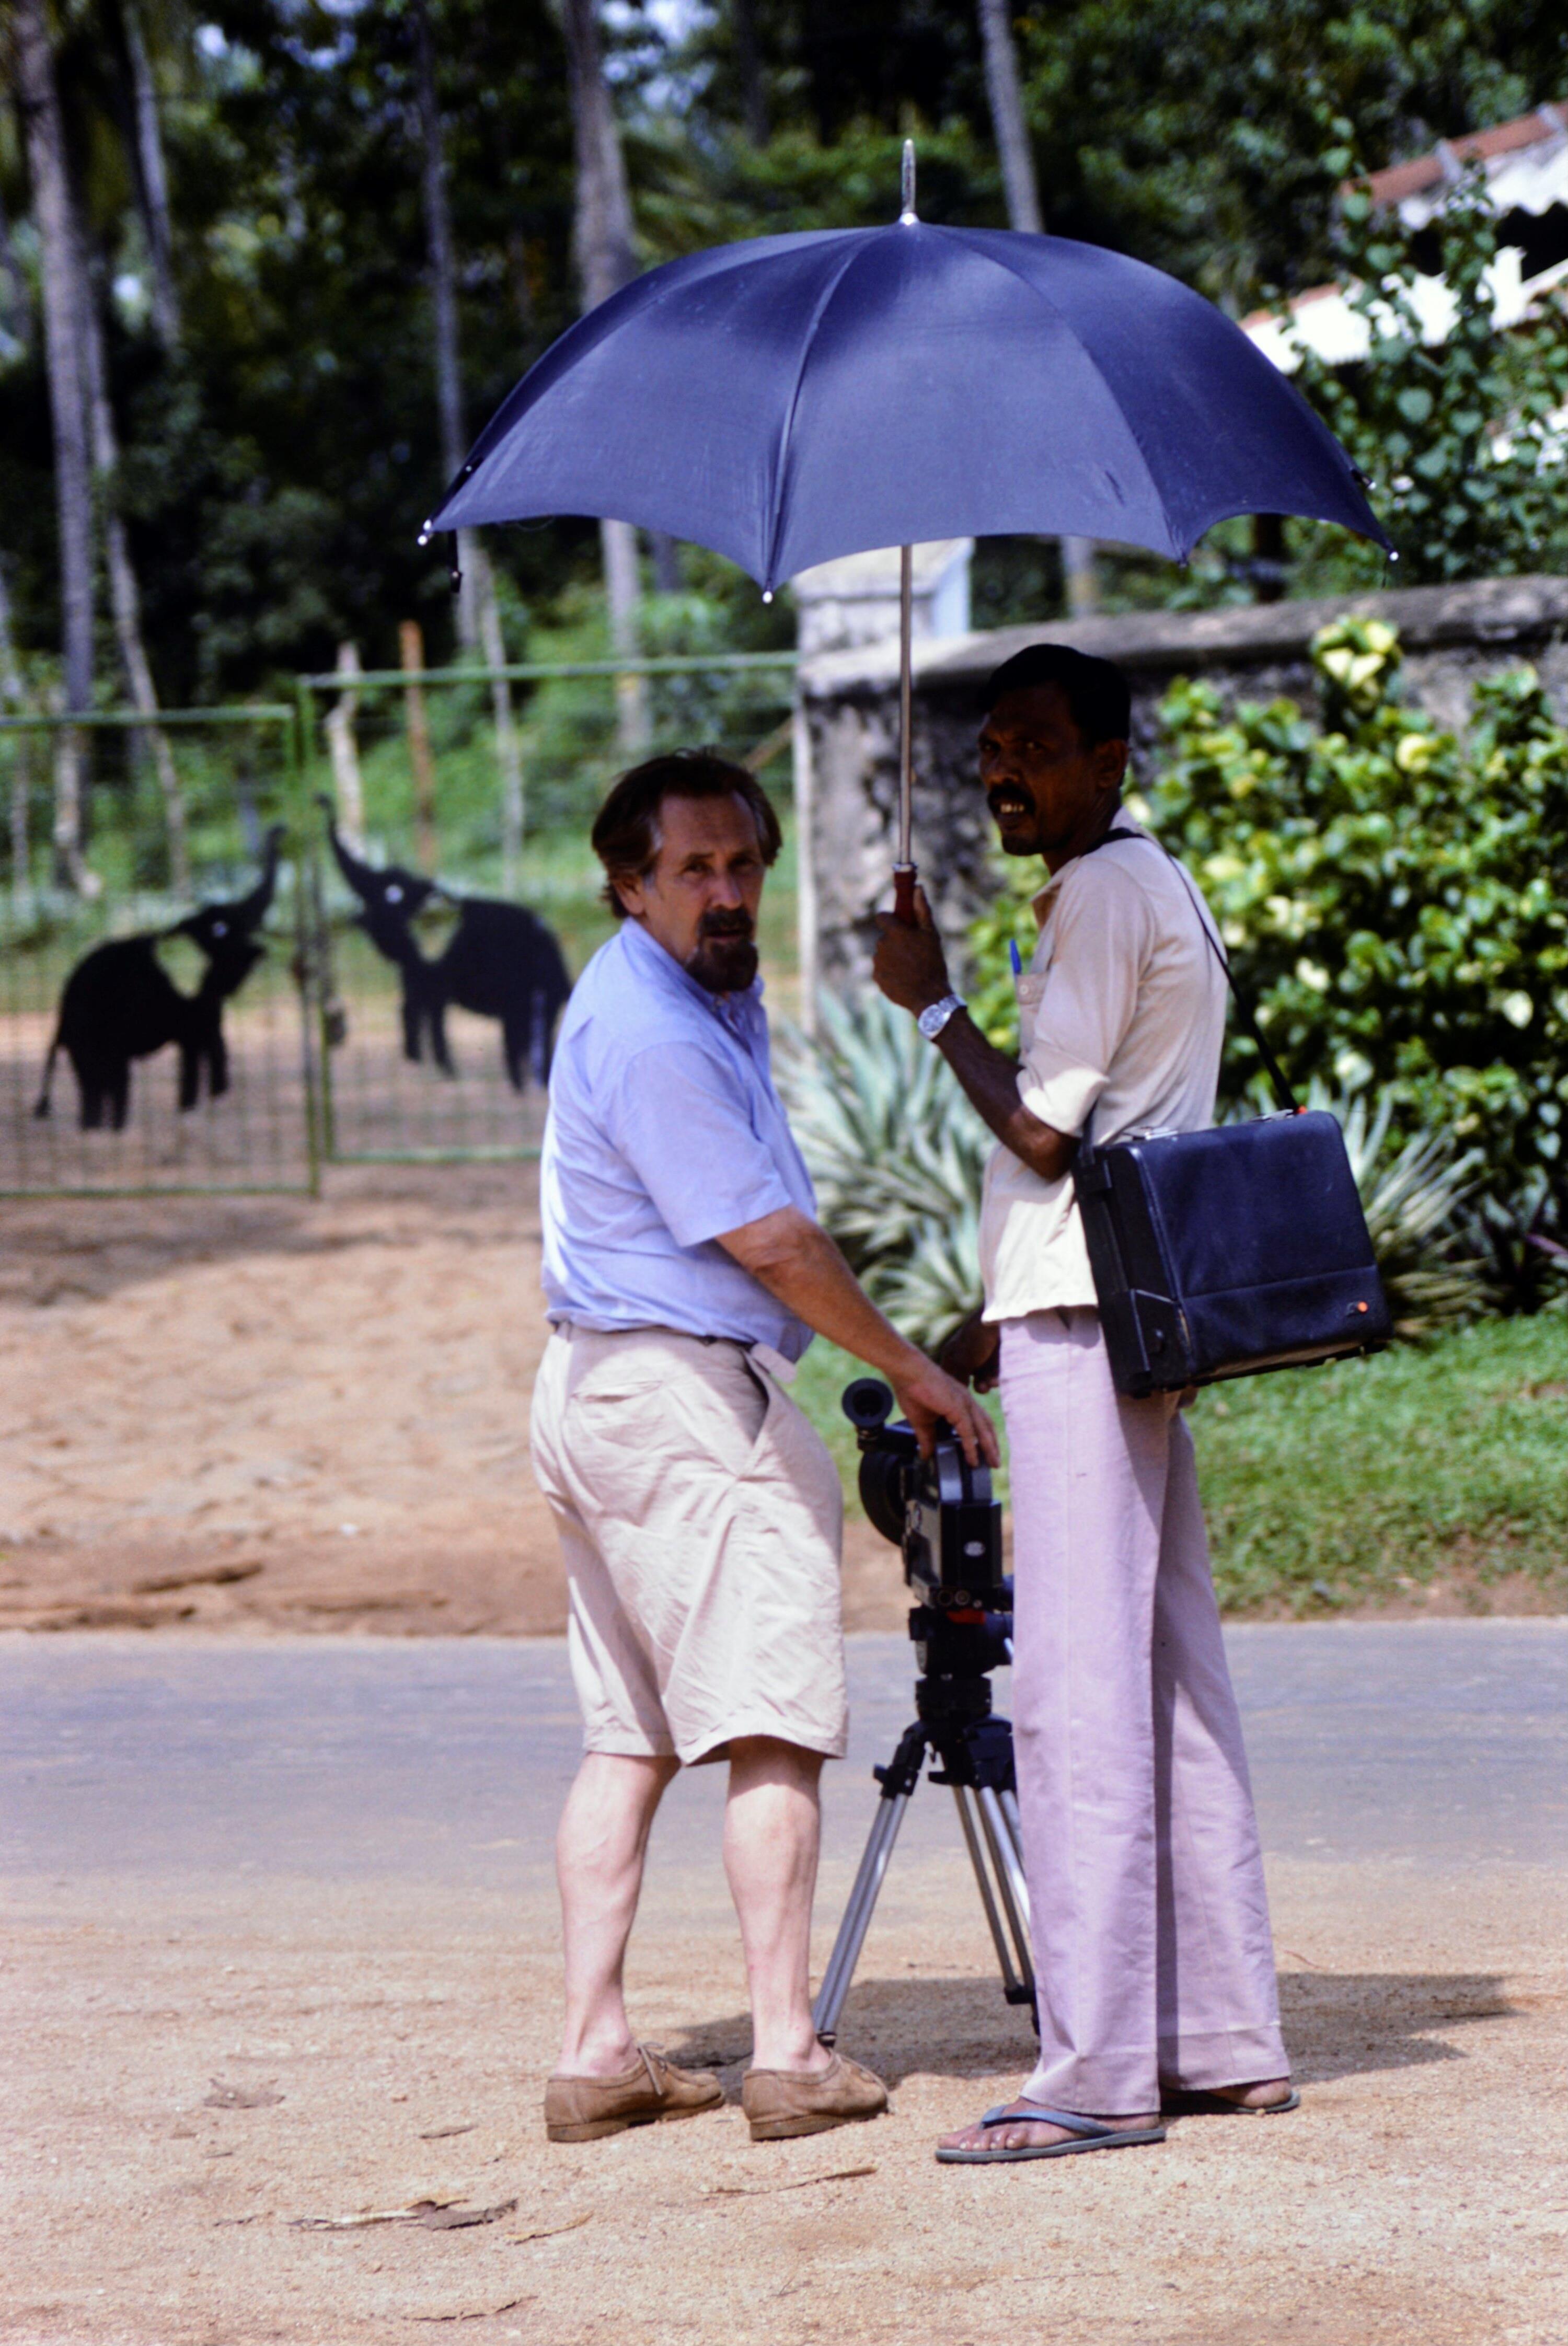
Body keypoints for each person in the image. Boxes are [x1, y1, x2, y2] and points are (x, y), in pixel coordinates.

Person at [532, 749, 997, 2148]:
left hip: (601, 1391)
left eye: (743, 865)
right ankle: (787, 2053)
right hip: (681, 1402)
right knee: (774, 1729)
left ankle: (597, 2053)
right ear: (631, 885)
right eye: (694, 870)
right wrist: (912, 1366)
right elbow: (775, 1242)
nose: (726, 892)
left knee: (630, 1736)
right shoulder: (660, 1033)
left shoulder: (681, 994)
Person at [872, 644, 1296, 2165]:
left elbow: (1047, 1137)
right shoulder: (1137, 883)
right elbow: (1100, 1145)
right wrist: (975, 1328)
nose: (1006, 770)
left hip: (1087, 1325)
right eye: (993, 746)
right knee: (1169, 1677)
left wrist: (933, 1004)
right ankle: (1220, 2035)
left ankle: (1098, 2068)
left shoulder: (1106, 893)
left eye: (1037, 746)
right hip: (1110, 1315)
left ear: (1110, 761)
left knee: (1075, 1696)